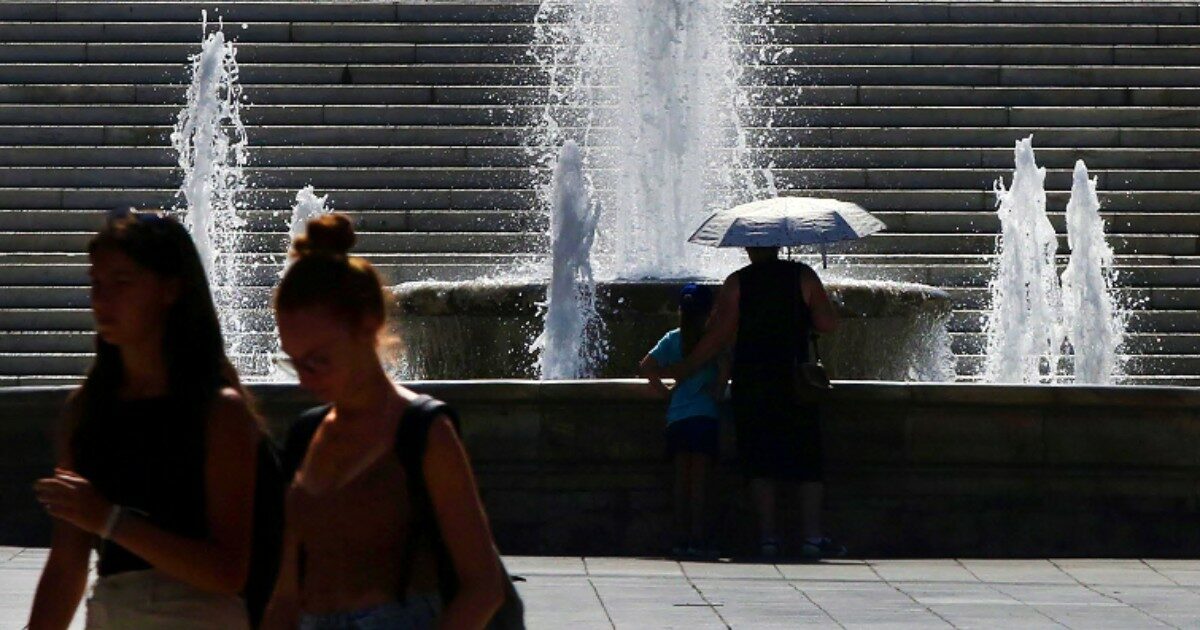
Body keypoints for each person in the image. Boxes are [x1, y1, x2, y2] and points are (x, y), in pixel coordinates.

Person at [262, 213, 507, 629]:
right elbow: (285, 593)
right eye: (294, 361)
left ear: (367, 324)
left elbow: (483, 586)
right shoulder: (307, 433)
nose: (305, 379)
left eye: (319, 360)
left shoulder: (423, 431)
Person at [29, 209, 260, 629]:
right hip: (113, 613)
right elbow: (67, 564)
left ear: (170, 289)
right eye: (96, 284)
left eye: (122, 283)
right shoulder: (86, 410)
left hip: (196, 617)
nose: (103, 301)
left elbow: (228, 570)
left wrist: (109, 520)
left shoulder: (219, 411)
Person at [663, 247, 843, 560]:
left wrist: (685, 367)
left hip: (754, 381)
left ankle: (767, 538)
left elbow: (719, 335)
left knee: (760, 458)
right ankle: (812, 537)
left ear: (749, 248)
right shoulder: (803, 275)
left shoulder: (737, 283)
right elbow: (827, 324)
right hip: (795, 379)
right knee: (807, 459)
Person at [639, 284, 728, 559]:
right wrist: (718, 387)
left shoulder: (673, 338)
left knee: (681, 481)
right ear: (710, 311)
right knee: (700, 482)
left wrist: (664, 391)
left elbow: (645, 366)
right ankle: (697, 537)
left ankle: (680, 536)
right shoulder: (712, 341)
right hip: (704, 416)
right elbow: (723, 375)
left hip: (677, 418)